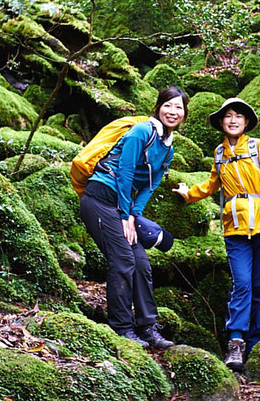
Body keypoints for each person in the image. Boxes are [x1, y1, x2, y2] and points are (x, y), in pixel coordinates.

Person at [174, 97, 260, 371]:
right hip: (234, 228)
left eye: (238, 116)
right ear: (221, 122)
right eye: (228, 116)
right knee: (242, 283)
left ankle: (257, 342)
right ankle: (236, 341)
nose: (233, 120)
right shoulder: (220, 152)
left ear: (246, 122)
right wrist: (188, 194)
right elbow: (213, 184)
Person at [79, 87, 188, 349]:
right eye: (168, 105)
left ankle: (148, 328)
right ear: (158, 107)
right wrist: (126, 215)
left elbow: (150, 185)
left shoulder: (168, 148)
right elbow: (126, 171)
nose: (172, 112)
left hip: (121, 207)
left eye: (179, 108)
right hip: (100, 199)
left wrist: (134, 214)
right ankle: (122, 328)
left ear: (185, 115)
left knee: (141, 263)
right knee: (124, 260)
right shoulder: (141, 131)